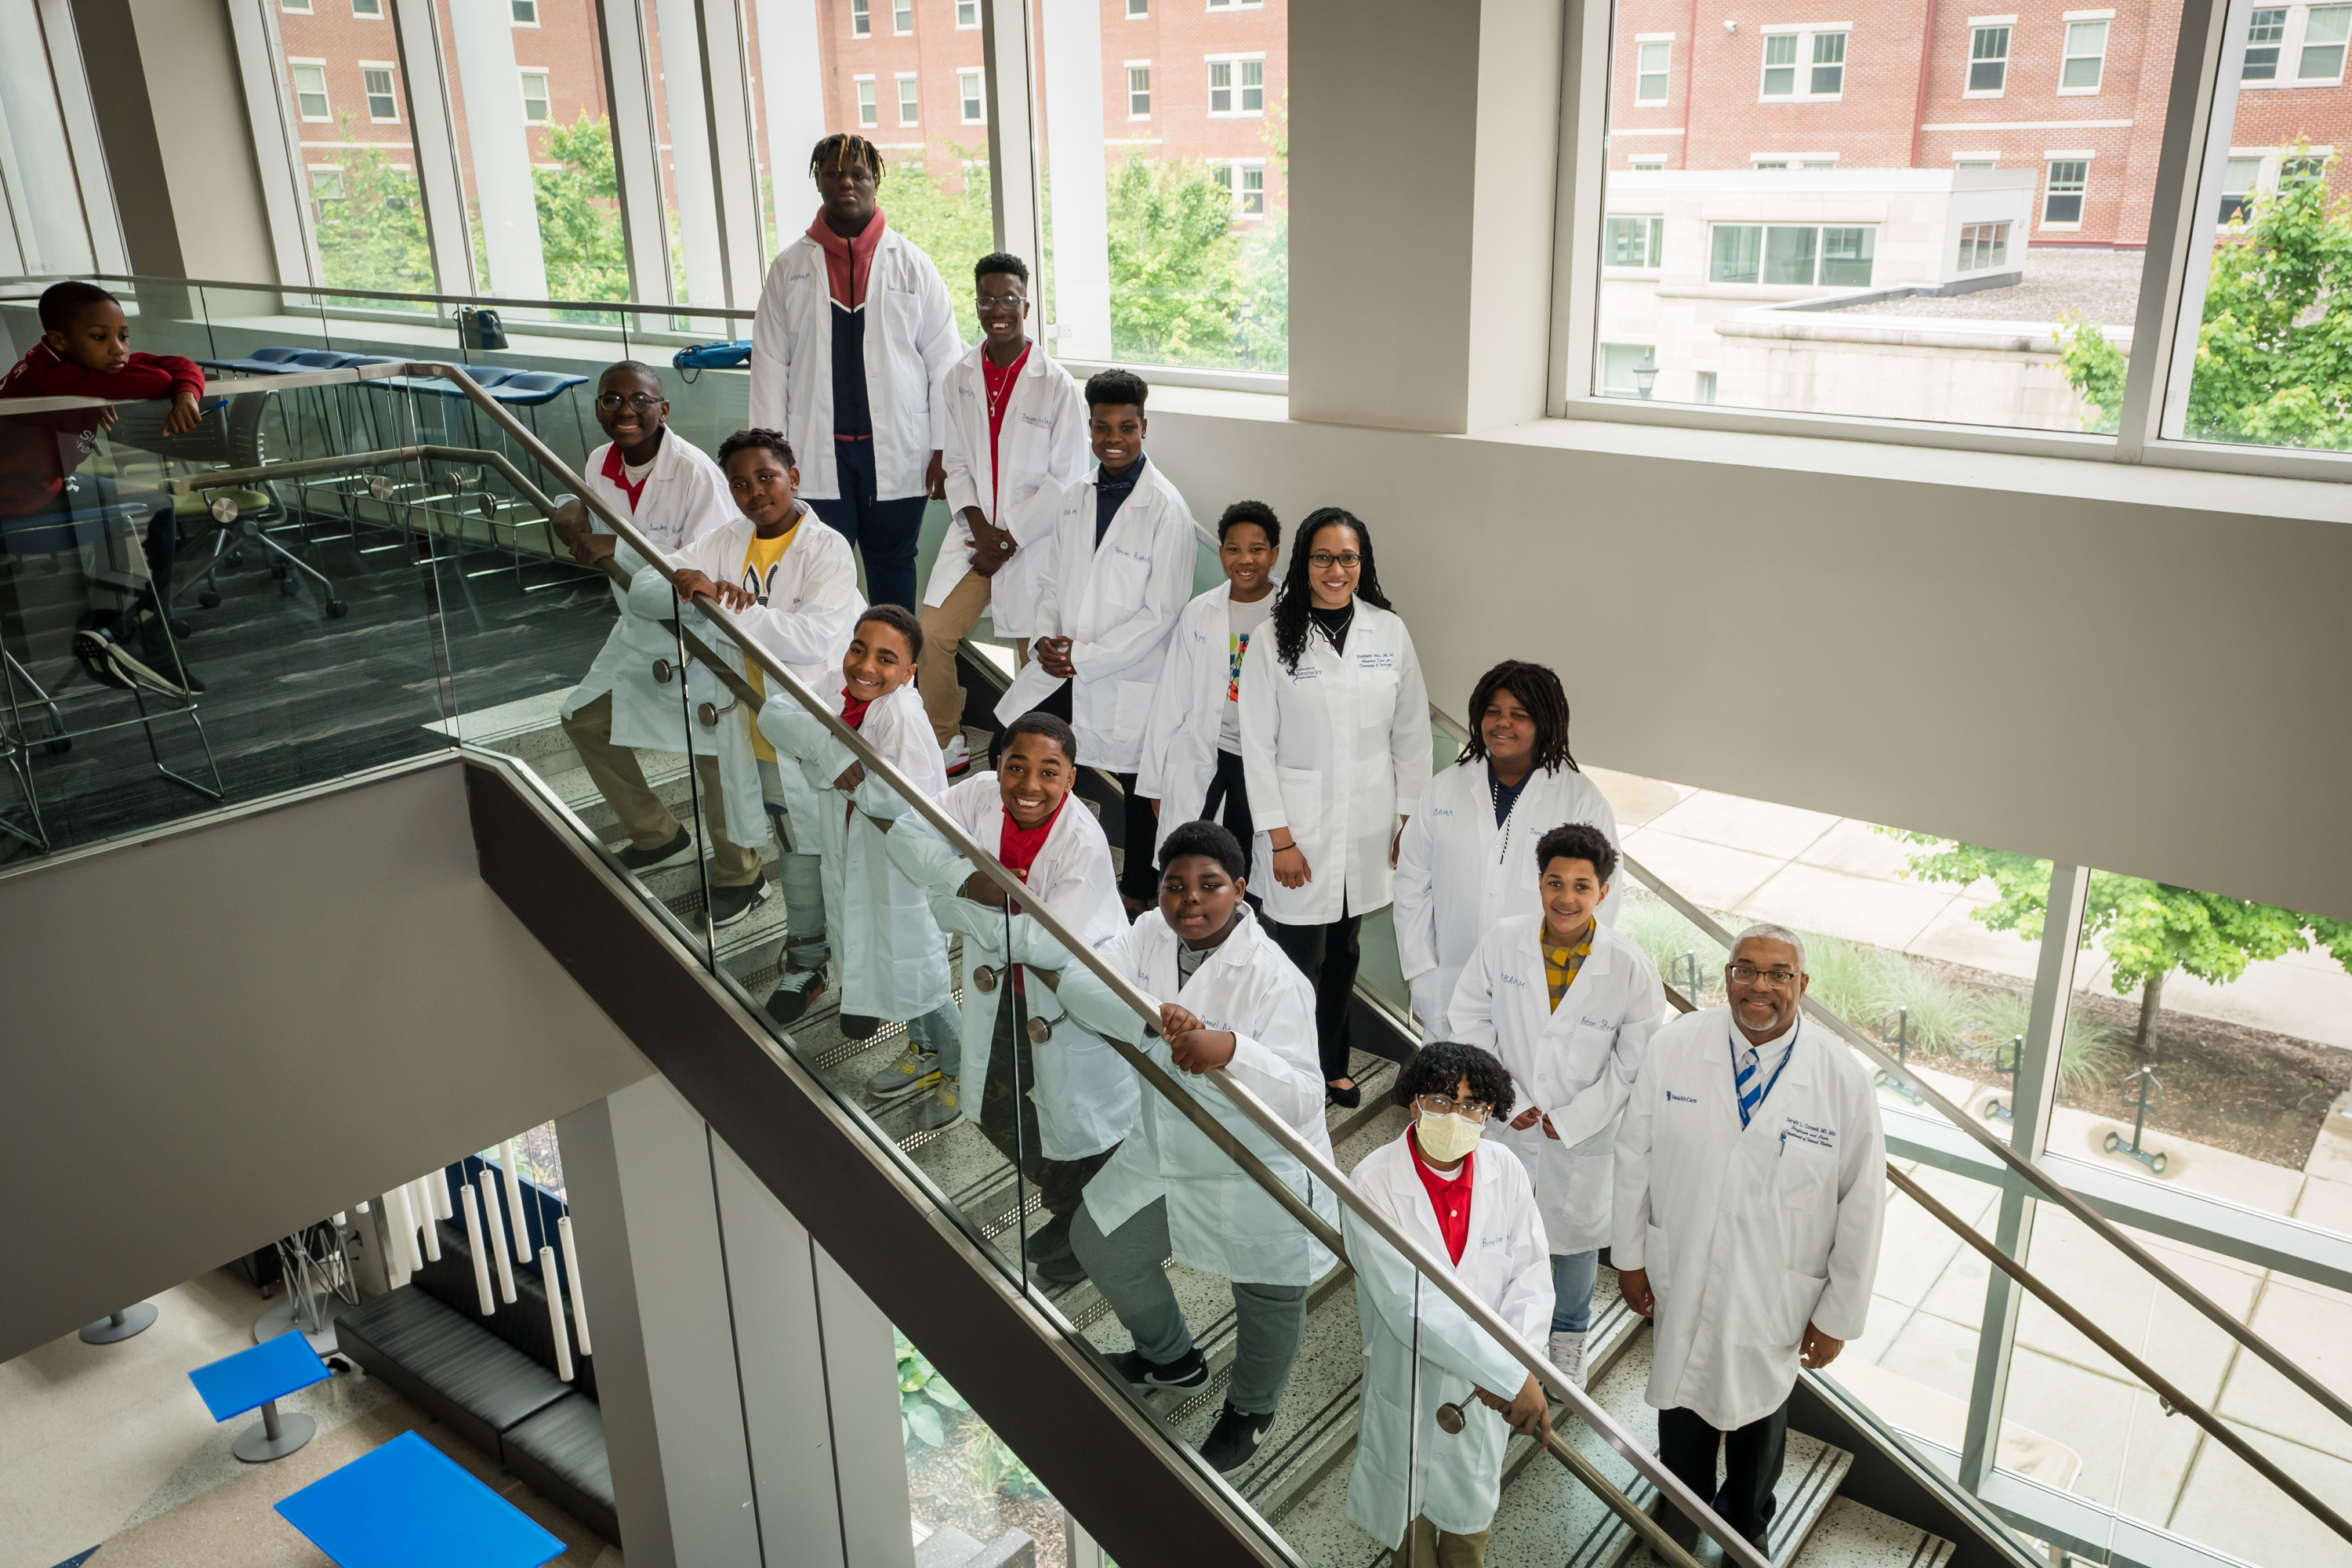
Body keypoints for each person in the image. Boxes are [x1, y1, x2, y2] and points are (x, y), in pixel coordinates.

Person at [1051, 821, 1338, 1472]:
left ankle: (1252, 1409)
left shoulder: (1276, 979)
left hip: (1253, 1163)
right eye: (1174, 886)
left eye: (1210, 886)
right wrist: (1158, 1015)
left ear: (1241, 890)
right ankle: (1173, 1360)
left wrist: (1229, 1049)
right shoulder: (1152, 931)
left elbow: (1301, 1096)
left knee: (1266, 1297)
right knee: (1100, 1242)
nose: (1190, 902)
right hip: (1169, 1145)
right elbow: (1078, 982)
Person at [1613, 924, 1886, 1555]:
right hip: (1683, 1263)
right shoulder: (1676, 1046)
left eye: (1778, 974)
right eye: (1746, 970)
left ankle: (1747, 1520)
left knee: (1760, 1411)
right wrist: (1629, 1258)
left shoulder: (1841, 1080)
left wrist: (1838, 1314)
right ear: (1728, 975)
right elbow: (1634, 1156)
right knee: (1681, 1404)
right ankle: (1678, 1512)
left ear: (1802, 986)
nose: (1759, 986)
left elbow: (1862, 1205)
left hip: (1777, 1285)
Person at [876, 712, 1138, 1284]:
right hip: (1007, 993)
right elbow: (905, 833)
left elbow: (1046, 942)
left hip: (1072, 1001)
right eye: (1016, 766)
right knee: (998, 1109)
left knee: (1080, 1118)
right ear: (998, 764)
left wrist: (954, 909)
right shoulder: (978, 795)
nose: (1029, 785)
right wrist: (969, 878)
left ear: (1071, 779)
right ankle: (1078, 1210)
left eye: (1050, 771)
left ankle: (1087, 1227)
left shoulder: (1083, 845)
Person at [625, 430, 862, 962]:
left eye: (766, 477)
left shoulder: (827, 548)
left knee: (843, 855)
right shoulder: (726, 540)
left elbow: (812, 638)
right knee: (793, 850)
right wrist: (688, 583)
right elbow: (644, 590)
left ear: (793, 478)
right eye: (740, 484)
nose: (755, 492)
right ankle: (807, 958)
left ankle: (858, 972)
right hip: (757, 727)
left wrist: (730, 607)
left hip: (819, 727)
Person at [1449, 822, 1661, 1388]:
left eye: (1581, 886)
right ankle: (1497, 1328)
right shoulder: (1504, 941)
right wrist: (1505, 1095)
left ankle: (1568, 1338)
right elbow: (1468, 1017)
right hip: (1508, 1120)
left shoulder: (1630, 966)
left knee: (1574, 1243)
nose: (1566, 898)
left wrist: (1574, 1119)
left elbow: (1634, 1063)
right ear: (1538, 883)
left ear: (1604, 893)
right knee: (1498, 1227)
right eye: (1554, 882)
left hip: (1583, 1134)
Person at [1240, 508, 1430, 1107]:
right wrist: (1280, 839)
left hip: (1368, 826)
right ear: (1304, 563)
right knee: (1298, 956)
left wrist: (1408, 817)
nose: (1336, 569)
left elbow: (1411, 733)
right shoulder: (1274, 636)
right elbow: (1255, 745)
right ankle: (1290, 1068)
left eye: (1348, 558)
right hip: (1297, 828)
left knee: (1344, 951)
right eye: (1323, 557)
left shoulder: (1387, 632)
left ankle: (1331, 1063)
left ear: (1362, 564)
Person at [1344, 1040, 1554, 1568]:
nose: (1455, 1116)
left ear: (1489, 1111)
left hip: (1489, 1393)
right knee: (1411, 1539)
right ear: (1414, 1102)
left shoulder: (1504, 1169)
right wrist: (1507, 1380)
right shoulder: (1374, 1181)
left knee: (1466, 1540)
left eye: (1470, 1105)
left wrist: (1517, 1366)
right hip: (1410, 1377)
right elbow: (1408, 1307)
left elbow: (1531, 1276)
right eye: (1441, 1100)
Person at [554, 362, 750, 902]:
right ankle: (658, 834)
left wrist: (619, 548)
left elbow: (706, 571)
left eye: (639, 400)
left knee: (713, 758)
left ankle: (741, 874)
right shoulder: (600, 461)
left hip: (699, 634)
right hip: (641, 630)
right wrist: (564, 505)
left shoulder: (693, 474)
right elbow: (580, 503)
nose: (625, 413)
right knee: (582, 722)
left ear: (664, 408)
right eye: (611, 400)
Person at [758, 604, 962, 1126]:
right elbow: (776, 713)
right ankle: (925, 1053)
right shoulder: (837, 686)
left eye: (887, 659)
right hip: (860, 858)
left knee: (923, 976)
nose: (866, 665)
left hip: (903, 868)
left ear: (910, 671)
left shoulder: (904, 718)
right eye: (859, 648)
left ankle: (964, 1071)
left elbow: (900, 802)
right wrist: (831, 755)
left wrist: (831, 763)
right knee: (896, 963)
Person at [749, 132, 960, 613]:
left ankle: (900, 681)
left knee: (893, 565)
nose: (845, 182)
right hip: (815, 455)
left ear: (876, 180)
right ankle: (826, 684)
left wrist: (946, 447)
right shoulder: (788, 268)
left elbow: (944, 362)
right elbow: (769, 366)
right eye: (833, 173)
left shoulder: (914, 266)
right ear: (818, 181)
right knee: (823, 570)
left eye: (858, 174)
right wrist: (768, 458)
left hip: (901, 454)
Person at [1028, 368, 1197, 913]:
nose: (1114, 440)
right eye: (1102, 428)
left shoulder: (1167, 509)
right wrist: (1044, 639)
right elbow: (1051, 579)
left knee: (1139, 790)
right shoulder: (1076, 496)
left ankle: (1136, 896)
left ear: (1144, 427)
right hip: (1066, 667)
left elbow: (1161, 614)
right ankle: (1059, 873)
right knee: (1036, 756)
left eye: (1126, 427)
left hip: (1132, 676)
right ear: (1090, 429)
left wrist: (1086, 656)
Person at [921, 252, 1087, 774]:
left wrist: (1008, 538)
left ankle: (1040, 761)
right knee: (932, 633)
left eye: (1008, 299)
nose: (998, 309)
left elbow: (1067, 480)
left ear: (1026, 304)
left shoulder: (1055, 384)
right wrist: (978, 527)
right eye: (987, 300)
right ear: (977, 305)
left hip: (1033, 544)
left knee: (1034, 657)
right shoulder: (959, 376)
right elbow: (958, 460)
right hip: (976, 538)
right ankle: (947, 741)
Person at [1395, 659, 1621, 1040]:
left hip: (1539, 990)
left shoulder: (1580, 800)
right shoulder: (1445, 788)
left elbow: (1600, 902)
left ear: (1544, 723)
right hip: (1448, 984)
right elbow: (1411, 883)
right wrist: (1423, 971)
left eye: (1519, 715)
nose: (1502, 723)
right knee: (1451, 1094)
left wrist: (1566, 983)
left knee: (1522, 1094)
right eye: (1493, 711)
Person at [0, 280, 206, 695]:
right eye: (100, 337)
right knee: (147, 509)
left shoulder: (74, 366)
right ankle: (129, 631)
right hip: (16, 505)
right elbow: (154, 380)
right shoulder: (53, 375)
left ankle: (125, 628)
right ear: (59, 339)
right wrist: (164, 385)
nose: (119, 350)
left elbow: (182, 364)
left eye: (124, 336)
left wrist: (187, 392)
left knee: (154, 504)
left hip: (46, 484)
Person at [1136, 501, 1279, 879]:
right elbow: (1172, 699)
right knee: (1187, 852)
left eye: (1257, 549)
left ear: (1275, 555)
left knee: (1246, 858)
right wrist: (1155, 781)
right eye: (1234, 549)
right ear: (1220, 553)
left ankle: (1243, 932)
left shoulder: (1290, 613)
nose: (1244, 559)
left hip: (1259, 758)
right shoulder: (1200, 611)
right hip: (1204, 746)